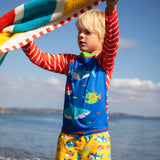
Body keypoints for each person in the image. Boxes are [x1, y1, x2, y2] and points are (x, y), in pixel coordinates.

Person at [22, 0, 119, 159]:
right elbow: (40, 59)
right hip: (68, 137)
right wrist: (24, 38)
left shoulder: (104, 62)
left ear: (102, 38)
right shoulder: (70, 63)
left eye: (88, 32)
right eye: (79, 31)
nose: (81, 35)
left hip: (96, 137)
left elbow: (112, 41)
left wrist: (111, 8)